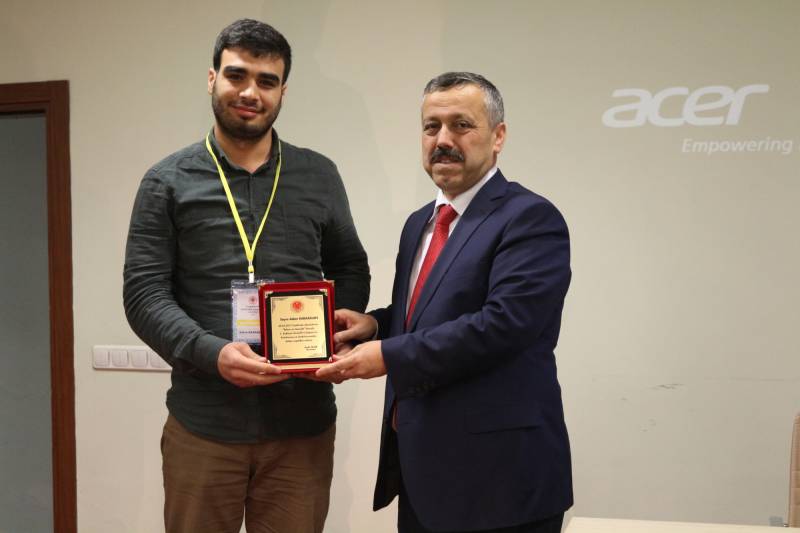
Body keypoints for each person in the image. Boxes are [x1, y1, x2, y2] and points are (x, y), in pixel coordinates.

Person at [123, 19, 370, 533]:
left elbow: (349, 266)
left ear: (283, 92)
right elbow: (145, 293)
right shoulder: (166, 182)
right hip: (204, 424)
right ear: (212, 78)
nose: (250, 92)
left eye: (267, 81)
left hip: (301, 425)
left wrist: (334, 333)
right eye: (237, 75)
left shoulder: (319, 174)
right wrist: (209, 352)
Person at [316, 72, 572, 533]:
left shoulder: (531, 218)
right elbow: (431, 313)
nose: (443, 140)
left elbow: (502, 324)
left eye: (461, 125)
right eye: (431, 127)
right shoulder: (419, 223)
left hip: (500, 482)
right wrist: (375, 326)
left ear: (498, 136)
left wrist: (388, 355)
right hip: (422, 473)